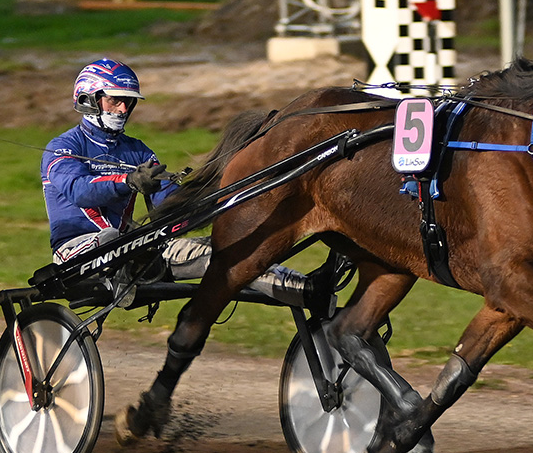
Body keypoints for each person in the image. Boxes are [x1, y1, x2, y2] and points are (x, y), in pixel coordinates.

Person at [41, 58, 329, 312]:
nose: (122, 109)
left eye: (127, 102)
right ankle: (131, 263)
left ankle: (305, 289)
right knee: (110, 238)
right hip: (78, 254)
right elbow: (80, 191)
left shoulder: (138, 150)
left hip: (135, 251)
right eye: (114, 100)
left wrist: (221, 198)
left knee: (227, 251)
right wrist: (128, 181)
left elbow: (170, 206)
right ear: (88, 99)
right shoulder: (62, 147)